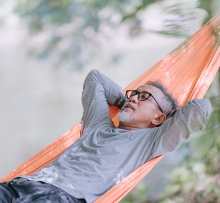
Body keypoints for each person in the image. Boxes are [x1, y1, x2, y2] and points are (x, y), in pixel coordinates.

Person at [0, 69, 212, 203]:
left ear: (158, 118)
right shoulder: (98, 123)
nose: (135, 98)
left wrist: (169, 119)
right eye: (134, 93)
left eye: (144, 97)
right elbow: (95, 78)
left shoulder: (152, 141)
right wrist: (126, 103)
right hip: (23, 183)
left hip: (60, 196)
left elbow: (201, 109)